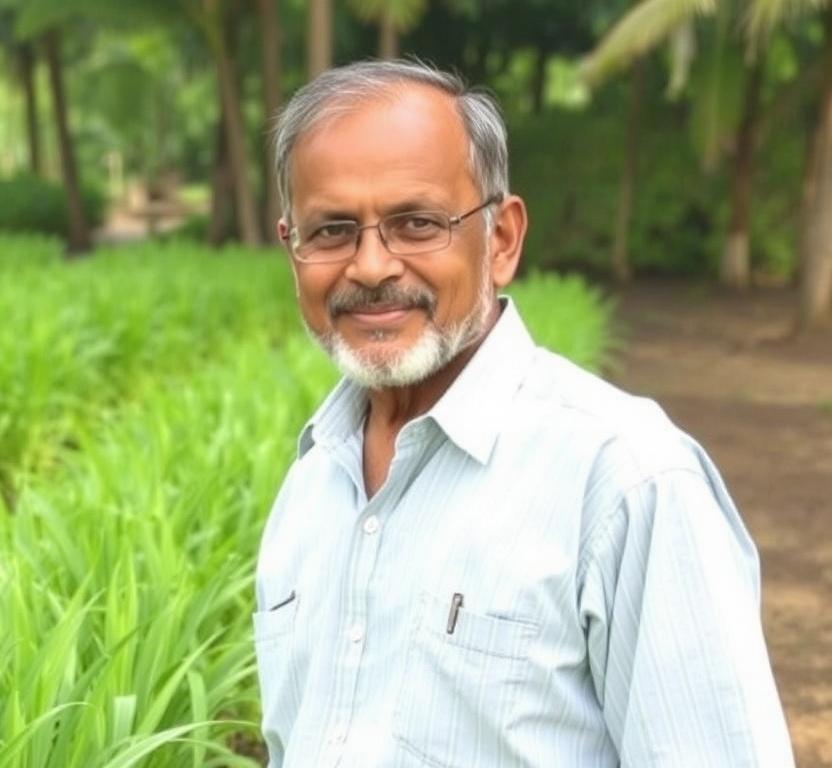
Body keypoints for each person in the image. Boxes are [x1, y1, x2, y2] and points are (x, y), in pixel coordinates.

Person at [254, 59, 794, 767]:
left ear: (502, 239)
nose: (372, 266)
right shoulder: (312, 484)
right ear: (293, 249)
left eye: (416, 223)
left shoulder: (625, 480)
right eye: (332, 231)